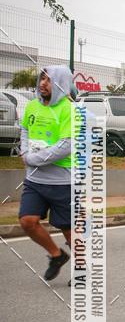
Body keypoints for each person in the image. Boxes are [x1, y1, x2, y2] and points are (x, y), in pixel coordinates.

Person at [18, 65, 74, 282]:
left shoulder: (69, 110)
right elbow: (25, 129)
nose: (43, 83)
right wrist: (24, 151)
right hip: (34, 180)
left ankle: (82, 267)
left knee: (69, 230)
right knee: (27, 221)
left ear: (61, 83)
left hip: (62, 182)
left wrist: (33, 159)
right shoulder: (32, 105)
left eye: (49, 80)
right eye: (42, 78)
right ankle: (57, 255)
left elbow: (66, 145)